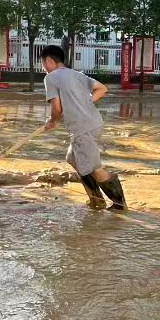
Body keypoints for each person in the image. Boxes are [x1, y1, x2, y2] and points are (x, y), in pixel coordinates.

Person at [39, 44, 125, 209]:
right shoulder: (76, 74)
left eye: (43, 63)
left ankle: (119, 205)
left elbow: (56, 108)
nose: (43, 68)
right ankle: (96, 199)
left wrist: (52, 121)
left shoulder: (50, 78)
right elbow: (102, 89)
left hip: (83, 128)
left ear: (49, 60)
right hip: (92, 123)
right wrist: (84, 102)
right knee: (72, 158)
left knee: (94, 168)